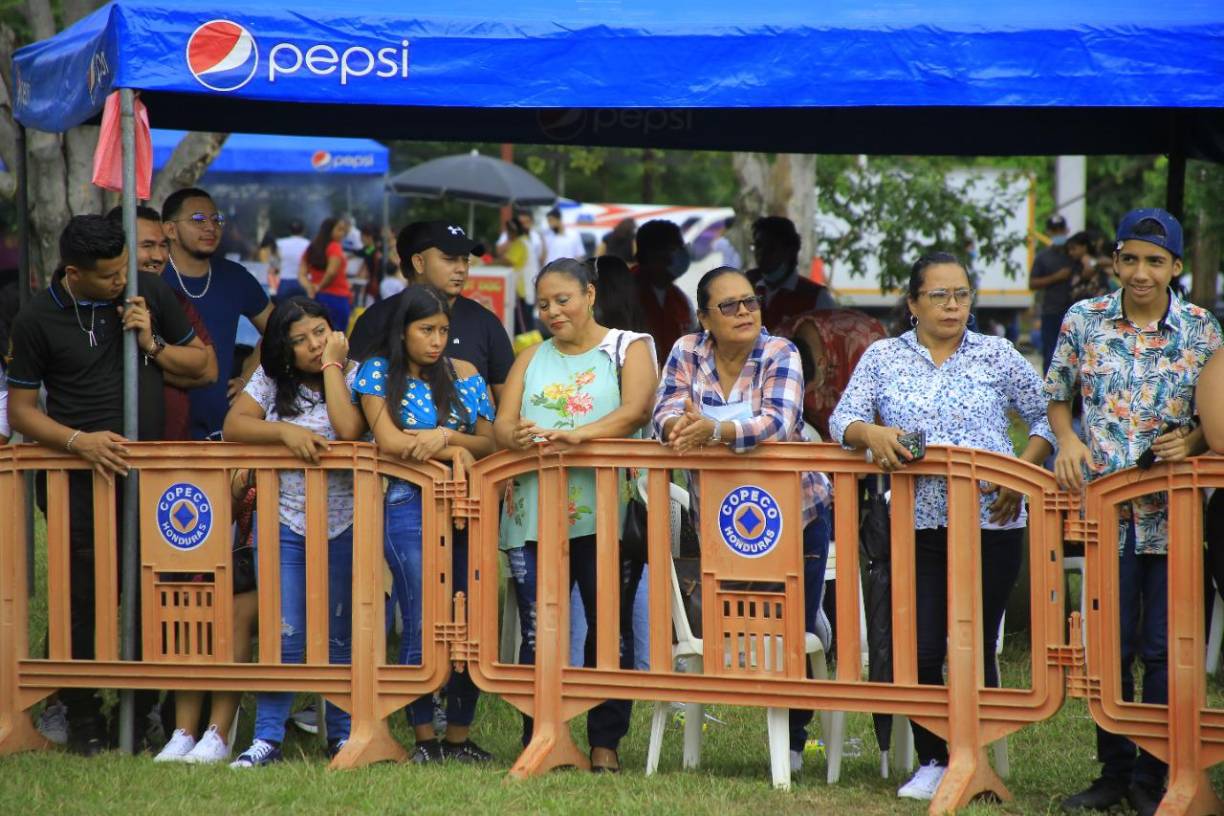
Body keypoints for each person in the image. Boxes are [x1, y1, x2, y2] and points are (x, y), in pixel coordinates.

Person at [829, 251, 1055, 801]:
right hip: (916, 526)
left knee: (971, 644)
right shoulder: (884, 357)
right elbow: (842, 420)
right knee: (924, 648)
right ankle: (934, 759)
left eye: (961, 294)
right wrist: (872, 436)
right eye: (939, 295)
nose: (953, 305)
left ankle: (971, 755)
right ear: (912, 304)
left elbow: (1049, 415)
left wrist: (1021, 470)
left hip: (991, 524)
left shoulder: (997, 354)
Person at [6, 215, 209, 754]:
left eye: (125, 267)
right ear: (74, 272)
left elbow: (203, 364)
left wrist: (152, 341)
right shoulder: (36, 318)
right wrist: (80, 442)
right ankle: (82, 714)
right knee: (82, 595)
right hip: (77, 476)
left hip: (148, 477)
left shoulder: (149, 294)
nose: (124, 279)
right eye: (110, 274)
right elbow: (22, 411)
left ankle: (140, 708)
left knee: (149, 592)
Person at [1048, 209, 1221, 816]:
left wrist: (1194, 441)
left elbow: (1216, 418)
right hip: (1104, 513)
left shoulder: (1203, 330)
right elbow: (1056, 397)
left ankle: (1156, 774)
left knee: (1161, 647)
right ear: (1115, 261)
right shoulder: (1084, 321)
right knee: (1108, 643)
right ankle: (1113, 773)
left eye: (1155, 261)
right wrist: (1067, 441)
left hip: (1172, 514)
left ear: (1176, 266)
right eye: (1130, 259)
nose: (1140, 273)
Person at [652, 265, 833, 774]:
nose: (744, 312)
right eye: (729, 305)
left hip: (796, 515)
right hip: (720, 521)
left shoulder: (781, 351)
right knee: (732, 628)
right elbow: (664, 411)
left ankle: (794, 743)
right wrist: (682, 427)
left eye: (750, 301)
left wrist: (714, 431)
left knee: (793, 632)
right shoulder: (686, 352)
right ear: (704, 317)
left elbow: (780, 421)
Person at [494, 258, 656, 772]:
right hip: (533, 515)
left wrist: (578, 437)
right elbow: (501, 425)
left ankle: (605, 741)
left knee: (609, 631)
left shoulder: (628, 347)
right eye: (543, 304)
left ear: (589, 294)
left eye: (562, 299)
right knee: (540, 631)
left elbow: (636, 411)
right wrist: (513, 436)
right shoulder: (529, 357)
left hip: (607, 514)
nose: (552, 311)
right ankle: (541, 734)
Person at [354, 285, 497, 762]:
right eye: (426, 330)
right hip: (406, 503)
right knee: (420, 613)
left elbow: (490, 442)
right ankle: (422, 738)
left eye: (443, 331)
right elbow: (390, 440)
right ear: (403, 331)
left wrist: (446, 438)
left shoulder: (465, 374)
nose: (437, 341)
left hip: (466, 505)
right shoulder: (378, 372)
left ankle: (457, 737)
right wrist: (453, 448)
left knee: (469, 617)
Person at [224, 296, 365, 768]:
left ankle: (343, 735)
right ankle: (267, 737)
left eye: (320, 332)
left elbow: (348, 429)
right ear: (283, 347)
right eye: (300, 339)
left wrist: (332, 366)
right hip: (283, 520)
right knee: (284, 631)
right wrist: (283, 434)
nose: (312, 345)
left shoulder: (356, 373)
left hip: (348, 522)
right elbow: (233, 426)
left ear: (335, 332)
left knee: (342, 631)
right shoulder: (270, 379)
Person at [349, 221, 514, 403]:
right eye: (450, 258)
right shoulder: (376, 320)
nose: (461, 268)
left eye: (465, 259)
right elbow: (353, 401)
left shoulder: (486, 322)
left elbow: (509, 408)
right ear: (419, 262)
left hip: (473, 431)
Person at [162, 187, 273, 440]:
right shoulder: (155, 276)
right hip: (163, 420)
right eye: (198, 219)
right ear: (170, 230)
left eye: (216, 219)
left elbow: (278, 328)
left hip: (221, 423)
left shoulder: (235, 277)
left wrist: (247, 376)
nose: (210, 227)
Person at [106, 205, 219, 442]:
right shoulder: (97, 301)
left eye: (163, 245)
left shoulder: (173, 299)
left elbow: (208, 371)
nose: (158, 257)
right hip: (109, 449)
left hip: (170, 449)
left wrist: (151, 349)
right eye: (147, 246)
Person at [777, 308, 888, 441]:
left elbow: (882, 412)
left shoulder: (864, 345)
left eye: (809, 393)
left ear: (822, 364)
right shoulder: (775, 345)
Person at [745, 216, 835, 333]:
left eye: (771, 248)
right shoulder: (746, 289)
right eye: (758, 245)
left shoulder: (816, 297)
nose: (762, 253)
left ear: (789, 250)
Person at [632, 219, 695, 367]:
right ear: (653, 253)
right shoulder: (625, 294)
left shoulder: (681, 299)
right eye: (676, 248)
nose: (683, 253)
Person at [1031, 214, 1084, 374]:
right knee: (1051, 354)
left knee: (1076, 354)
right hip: (1051, 312)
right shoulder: (1043, 257)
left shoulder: (1074, 254)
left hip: (1074, 311)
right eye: (1054, 231)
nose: (1058, 234)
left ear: (1066, 230)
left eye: (1060, 230)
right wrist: (1056, 277)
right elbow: (1032, 283)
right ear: (1048, 232)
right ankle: (1049, 393)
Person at [298, 216, 353, 333]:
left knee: (321, 333)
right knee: (338, 334)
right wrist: (320, 286)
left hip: (317, 297)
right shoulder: (334, 246)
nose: (342, 233)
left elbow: (301, 274)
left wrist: (310, 288)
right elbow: (332, 272)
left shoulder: (311, 248)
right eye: (339, 229)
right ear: (329, 230)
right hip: (338, 297)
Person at [275, 219, 310, 301]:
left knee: (282, 310)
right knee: (305, 310)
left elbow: (275, 263)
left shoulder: (280, 243)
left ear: (289, 230)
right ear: (303, 230)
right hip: (304, 281)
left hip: (285, 280)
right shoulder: (309, 244)